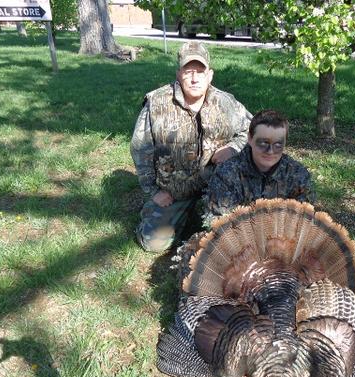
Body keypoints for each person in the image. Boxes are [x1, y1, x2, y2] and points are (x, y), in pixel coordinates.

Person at [130, 42, 251, 252]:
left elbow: (251, 130)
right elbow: (141, 148)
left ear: (210, 75)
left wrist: (233, 148)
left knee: (234, 238)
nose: (194, 78)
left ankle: (198, 213)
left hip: (216, 188)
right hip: (173, 191)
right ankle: (160, 213)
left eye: (200, 72)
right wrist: (154, 190)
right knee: (154, 243)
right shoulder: (157, 103)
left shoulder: (226, 103)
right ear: (179, 74)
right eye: (188, 72)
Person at [203, 109, 315, 224]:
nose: (270, 151)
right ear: (250, 139)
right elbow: (219, 224)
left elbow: (303, 221)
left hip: (283, 239)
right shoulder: (226, 174)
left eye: (278, 144)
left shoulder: (298, 175)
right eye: (264, 143)